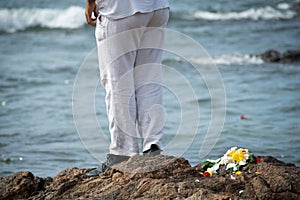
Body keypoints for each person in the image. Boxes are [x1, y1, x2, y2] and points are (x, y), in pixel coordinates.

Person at [84, 0, 169, 177]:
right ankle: (152, 146)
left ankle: (122, 153)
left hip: (120, 10)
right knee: (149, 78)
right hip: (157, 8)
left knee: (118, 83)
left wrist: (90, 3)